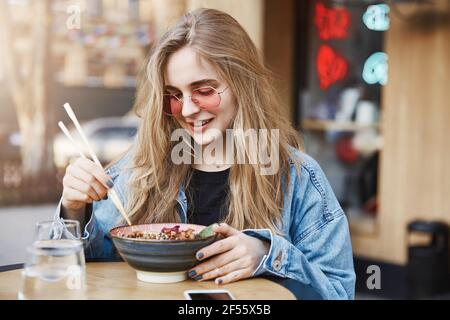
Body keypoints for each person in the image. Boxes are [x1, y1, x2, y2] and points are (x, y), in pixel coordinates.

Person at [55, 8, 355, 299]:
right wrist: (74, 209)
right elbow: (78, 271)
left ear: (242, 84)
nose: (186, 109)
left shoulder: (298, 176)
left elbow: (338, 292)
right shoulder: (138, 169)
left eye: (204, 90)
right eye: (174, 95)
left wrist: (268, 254)